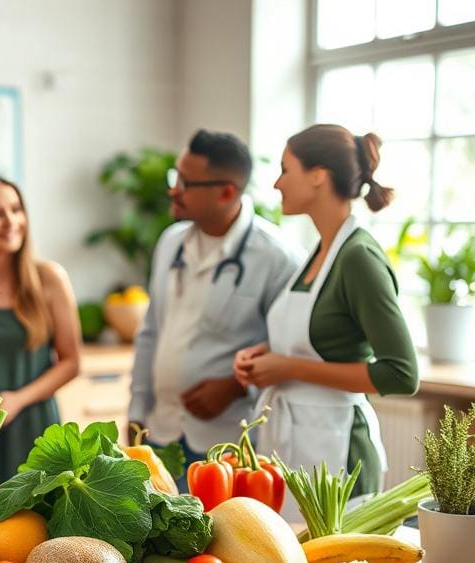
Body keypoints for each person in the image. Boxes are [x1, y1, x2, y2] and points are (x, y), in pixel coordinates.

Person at [234, 125, 419, 516]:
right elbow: (325, 337)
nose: (277, 182)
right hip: (296, 450)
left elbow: (401, 373)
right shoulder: (318, 253)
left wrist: (288, 367)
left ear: (318, 175)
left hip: (339, 461)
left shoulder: (358, 259)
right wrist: (265, 355)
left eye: (286, 169)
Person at [128, 130, 301, 487]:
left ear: (226, 192)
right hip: (159, 431)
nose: (173, 190)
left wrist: (237, 387)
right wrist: (135, 415)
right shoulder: (170, 242)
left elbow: (288, 350)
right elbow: (150, 333)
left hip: (225, 444)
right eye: (175, 177)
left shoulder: (277, 258)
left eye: (186, 183)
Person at [0, 175, 81, 484]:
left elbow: (72, 362)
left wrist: (18, 399)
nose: (11, 221)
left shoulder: (48, 278)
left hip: (35, 423)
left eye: (16, 209)